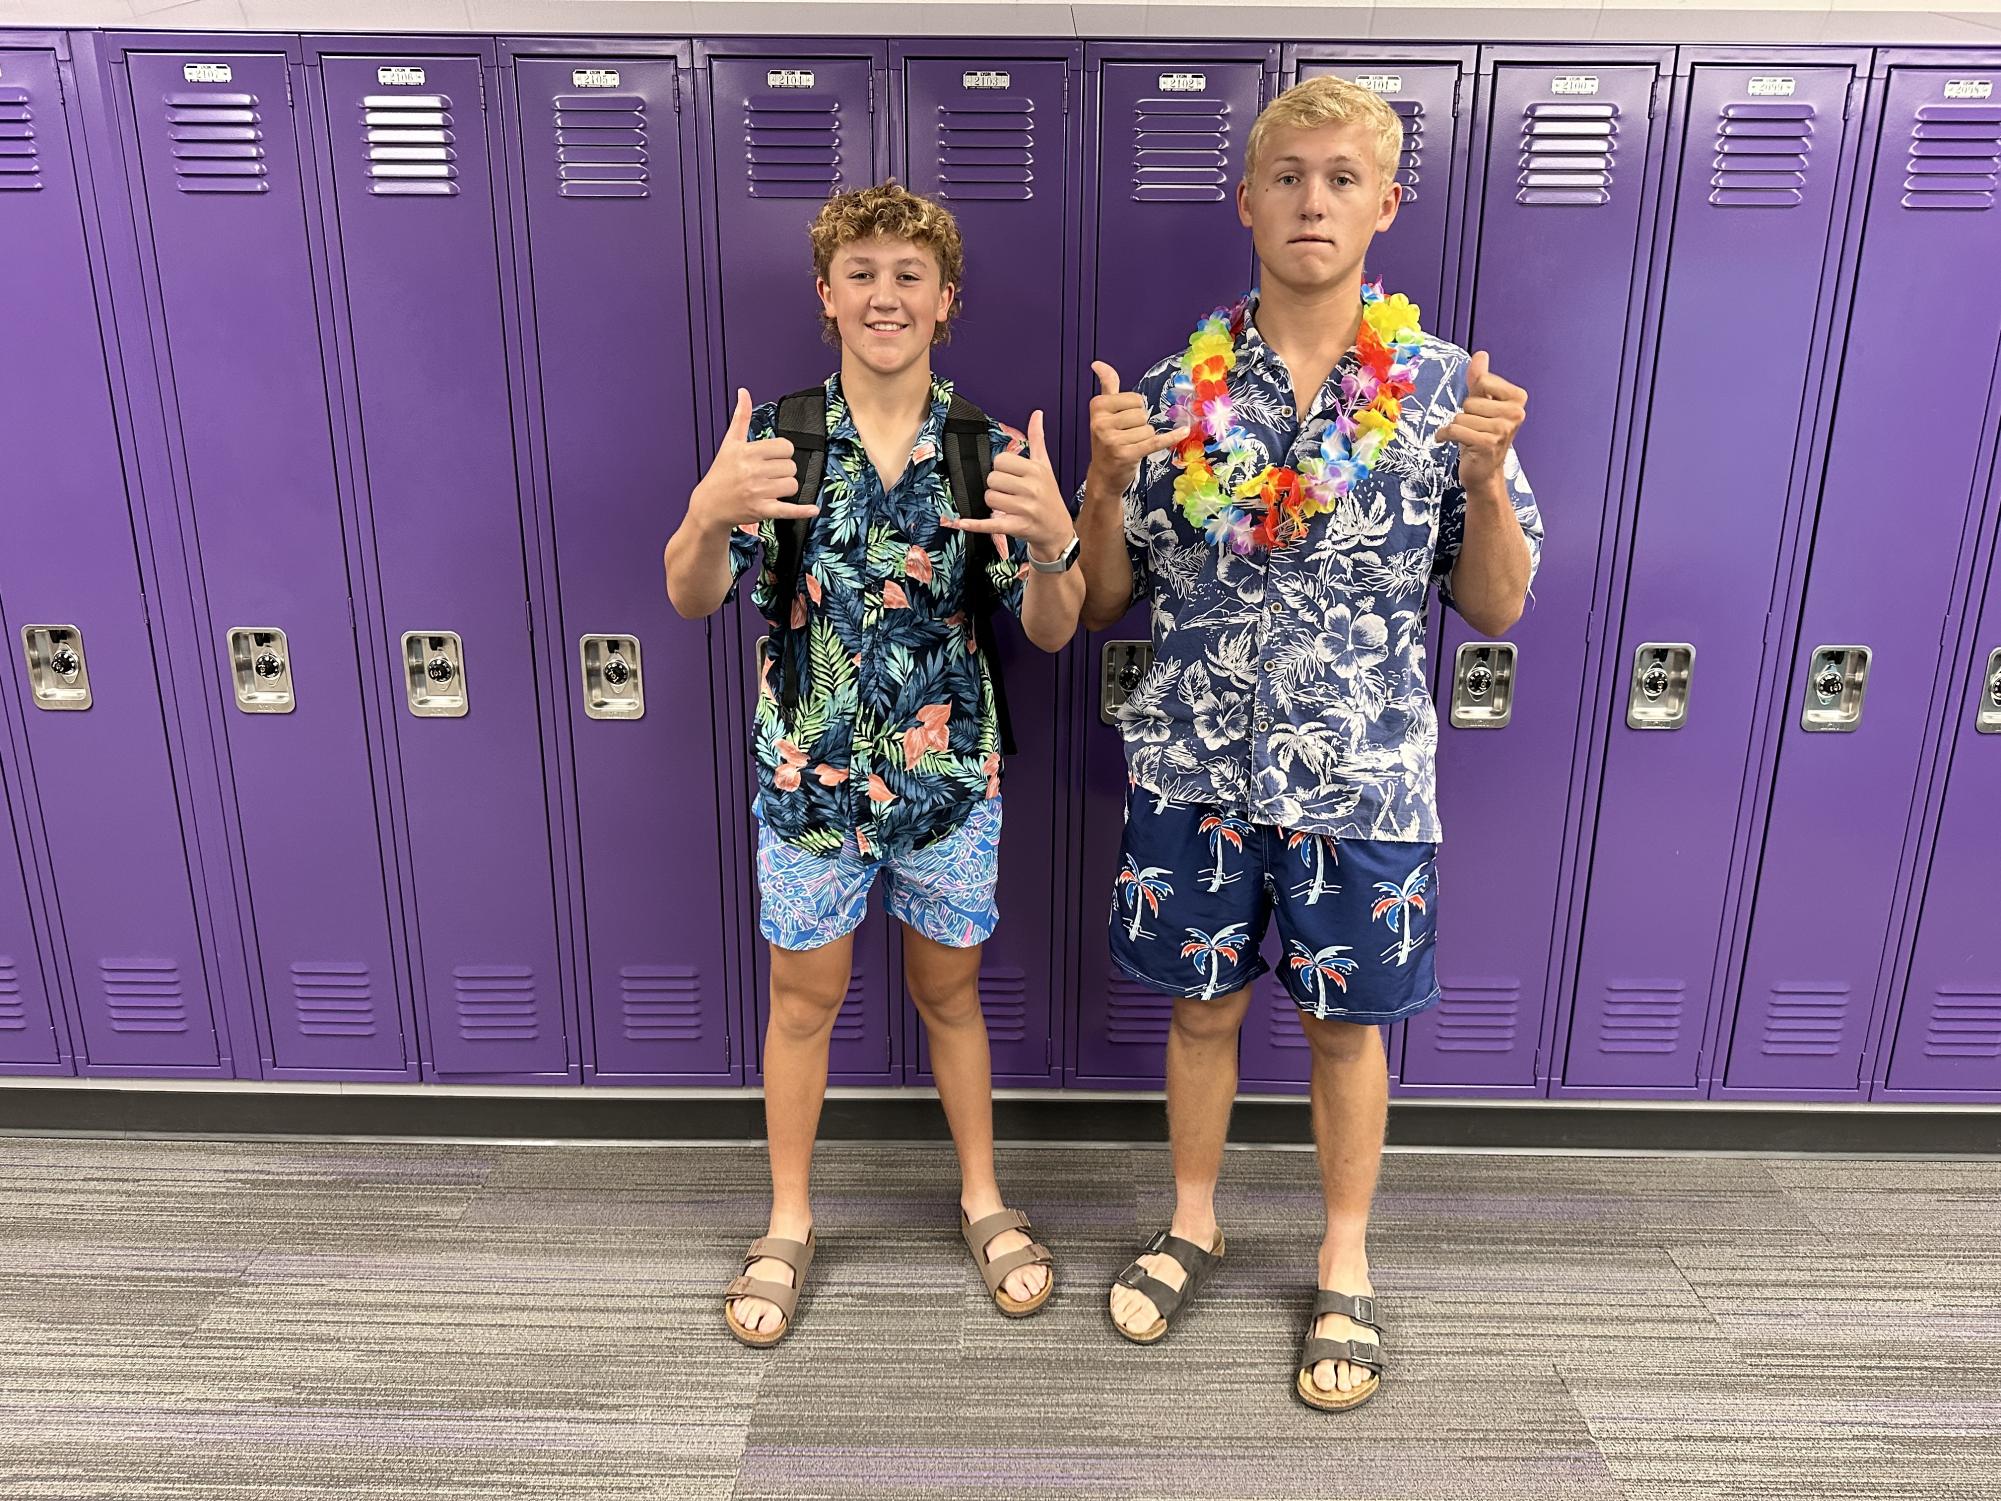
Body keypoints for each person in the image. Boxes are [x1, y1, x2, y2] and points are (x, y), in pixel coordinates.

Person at [1074, 76, 1542, 1410]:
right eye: (1286, 176)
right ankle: (1195, 1218)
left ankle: (1344, 1257)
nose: (1312, 200)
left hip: (1364, 774)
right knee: (1199, 1007)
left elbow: (1497, 602)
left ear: (1386, 205)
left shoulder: (1452, 395)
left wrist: (1486, 482)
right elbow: (1104, 602)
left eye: (1341, 177)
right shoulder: (1172, 395)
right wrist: (1104, 490)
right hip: (1196, 767)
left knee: (1349, 1029)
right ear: (1247, 202)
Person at [664, 181, 1084, 1346]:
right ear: (826, 295)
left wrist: (1056, 542)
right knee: (804, 1002)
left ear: (945, 301)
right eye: (862, 273)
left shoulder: (986, 452)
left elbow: (1051, 628)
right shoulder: (776, 444)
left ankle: (983, 1198)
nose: (884, 294)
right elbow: (691, 595)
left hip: (948, 788)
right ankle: (789, 1218)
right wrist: (704, 516)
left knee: (951, 993)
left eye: (909, 275)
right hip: (809, 784)